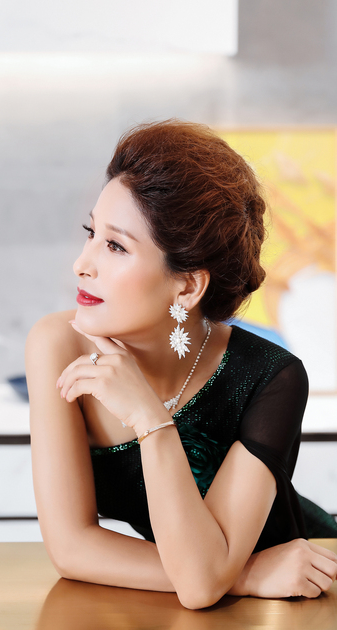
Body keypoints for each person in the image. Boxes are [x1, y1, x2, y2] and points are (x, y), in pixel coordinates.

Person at [25, 120, 337, 610]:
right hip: (263, 577)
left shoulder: (272, 377)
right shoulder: (58, 345)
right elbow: (71, 547)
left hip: (306, 585)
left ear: (188, 286)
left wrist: (150, 418)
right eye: (91, 233)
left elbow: (199, 587)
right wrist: (247, 574)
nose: (81, 264)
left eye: (115, 246)